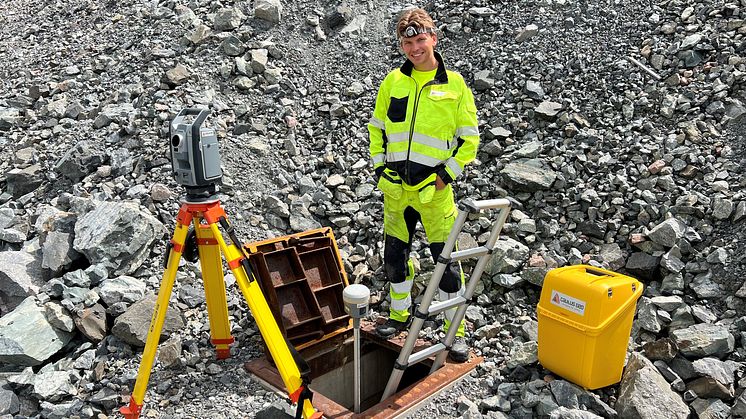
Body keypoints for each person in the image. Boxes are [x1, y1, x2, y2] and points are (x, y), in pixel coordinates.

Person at [367, 7, 480, 363]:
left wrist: (447, 176)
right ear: (401, 46)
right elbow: (377, 128)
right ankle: (399, 315)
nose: (414, 48)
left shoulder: (455, 85)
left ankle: (454, 333)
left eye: (419, 40)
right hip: (396, 190)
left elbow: (470, 139)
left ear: (433, 37)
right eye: (407, 42)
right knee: (394, 260)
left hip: (435, 193)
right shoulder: (393, 82)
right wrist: (379, 168)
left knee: (445, 264)